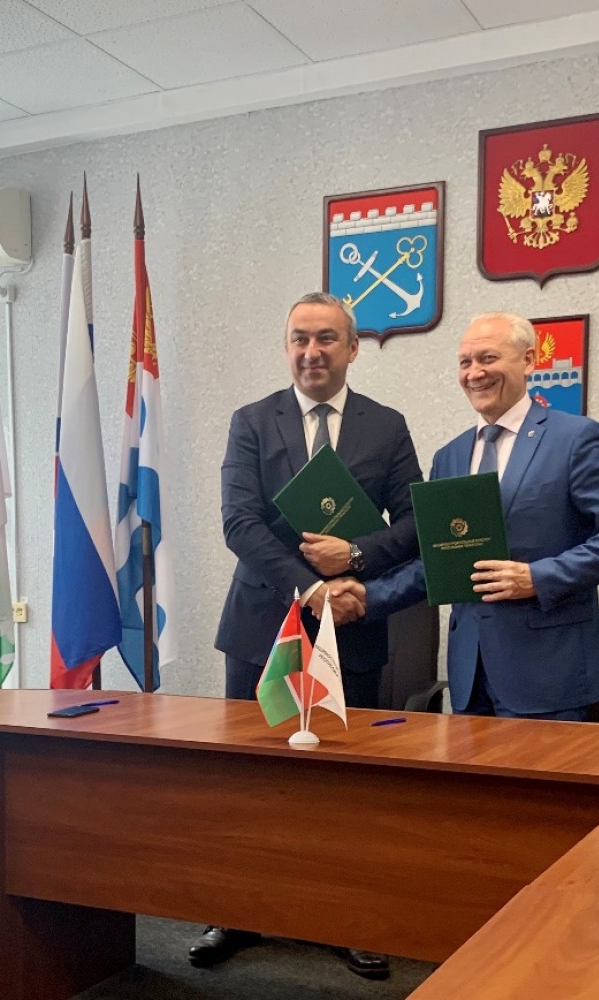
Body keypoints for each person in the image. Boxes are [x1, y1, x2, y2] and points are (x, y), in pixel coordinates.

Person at [191, 292, 422, 978]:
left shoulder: (387, 426)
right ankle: (235, 912)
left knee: (344, 783)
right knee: (251, 776)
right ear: (287, 347)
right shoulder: (252, 422)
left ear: (353, 349)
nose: (311, 352)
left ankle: (345, 916)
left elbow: (415, 524)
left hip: (352, 626)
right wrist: (309, 585)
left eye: (326, 339)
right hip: (263, 627)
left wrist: (354, 558)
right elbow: (239, 523)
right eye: (299, 338)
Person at [339, 311, 599, 720]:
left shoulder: (574, 439)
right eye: (465, 362)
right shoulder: (450, 456)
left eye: (488, 358)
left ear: (528, 360)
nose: (475, 373)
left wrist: (538, 577)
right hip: (469, 677)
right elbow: (441, 560)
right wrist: (368, 597)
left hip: (547, 676)